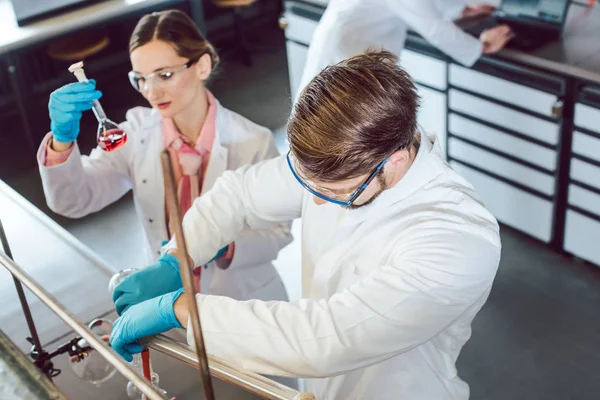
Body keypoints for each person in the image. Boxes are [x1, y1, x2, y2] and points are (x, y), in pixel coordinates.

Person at [110, 50, 502, 399]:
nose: (314, 200)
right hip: (320, 387)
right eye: (307, 184)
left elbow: (325, 339)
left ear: (395, 161)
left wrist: (180, 311)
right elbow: (239, 195)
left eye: (337, 192)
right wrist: (178, 256)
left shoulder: (458, 236)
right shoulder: (339, 155)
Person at [37, 10, 291, 304]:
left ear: (202, 66)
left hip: (241, 300)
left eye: (165, 75)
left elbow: (278, 233)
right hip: (165, 301)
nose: (151, 91)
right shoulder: (135, 133)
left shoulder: (252, 141)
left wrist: (222, 246)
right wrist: (61, 140)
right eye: (141, 79)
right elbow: (73, 201)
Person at [295, 0, 514, 98]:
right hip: (346, 54)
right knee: (334, 128)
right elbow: (434, 28)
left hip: (359, 48)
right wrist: (482, 46)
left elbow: (422, 5)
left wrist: (462, 9)